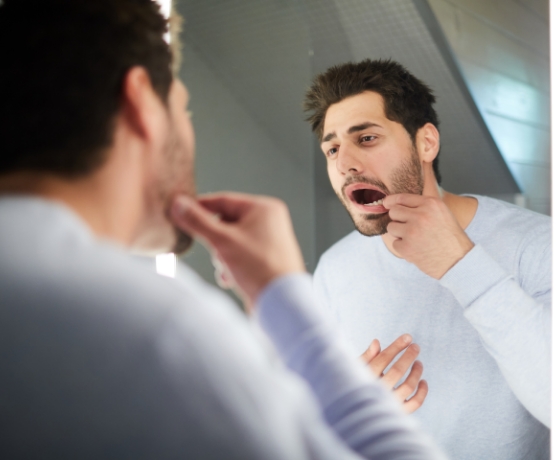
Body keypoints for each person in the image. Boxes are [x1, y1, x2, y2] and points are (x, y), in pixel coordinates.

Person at [0, 1, 448, 459]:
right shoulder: (161, 332)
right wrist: (286, 302)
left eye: (365, 138)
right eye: (184, 110)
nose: (346, 162)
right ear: (142, 105)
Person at [304, 59, 550, 460]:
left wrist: (460, 262)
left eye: (365, 138)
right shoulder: (335, 268)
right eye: (332, 148)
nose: (344, 163)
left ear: (426, 143)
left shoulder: (539, 245)